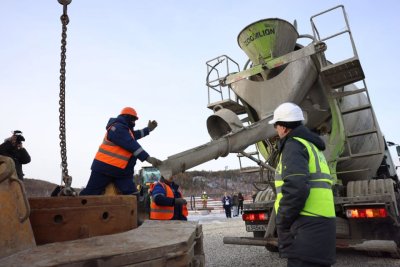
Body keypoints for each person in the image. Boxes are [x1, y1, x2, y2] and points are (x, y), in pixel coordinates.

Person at [269, 102, 336, 267]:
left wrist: (282, 220)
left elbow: (296, 188)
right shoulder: (312, 146)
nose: (276, 130)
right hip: (321, 224)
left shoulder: (294, 146)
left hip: (306, 226)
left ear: (284, 128)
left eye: (276, 126)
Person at [80, 107, 162, 195]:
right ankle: (76, 206)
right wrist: (147, 158)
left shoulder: (124, 130)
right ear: (127, 117)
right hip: (105, 168)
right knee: (90, 194)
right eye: (133, 119)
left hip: (120, 171)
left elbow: (134, 135)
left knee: (132, 196)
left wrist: (148, 129)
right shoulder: (117, 128)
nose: (134, 122)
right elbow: (130, 143)